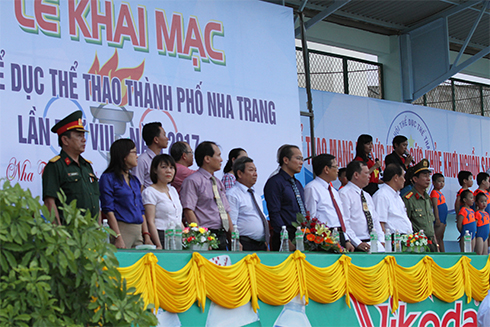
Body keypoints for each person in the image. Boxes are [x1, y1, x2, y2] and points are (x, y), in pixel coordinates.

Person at [42, 111, 100, 225]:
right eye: (79, 136)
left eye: (83, 135)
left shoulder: (87, 166)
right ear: (65, 140)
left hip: (91, 234)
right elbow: (50, 203)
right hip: (70, 233)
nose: (84, 140)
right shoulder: (55, 166)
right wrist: (60, 235)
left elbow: (95, 202)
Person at [180, 141, 234, 250]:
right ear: (207, 159)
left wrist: (233, 237)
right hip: (205, 234)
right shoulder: (192, 181)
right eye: (218, 155)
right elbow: (188, 210)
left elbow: (225, 211)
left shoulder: (218, 182)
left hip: (221, 235)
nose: (221, 160)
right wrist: (201, 238)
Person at [99, 139, 152, 248]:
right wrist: (118, 237)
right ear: (124, 156)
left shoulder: (135, 180)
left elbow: (141, 209)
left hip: (138, 230)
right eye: (134, 152)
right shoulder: (108, 178)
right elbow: (109, 210)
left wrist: (146, 235)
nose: (137, 156)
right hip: (122, 229)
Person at [304, 154, 355, 252]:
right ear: (326, 169)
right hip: (325, 238)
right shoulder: (312, 188)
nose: (338, 170)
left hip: (339, 236)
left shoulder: (333, 191)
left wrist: (347, 239)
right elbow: (311, 217)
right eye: (335, 167)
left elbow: (340, 217)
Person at [264, 144, 305, 251]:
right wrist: (285, 238)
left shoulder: (298, 184)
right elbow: (275, 213)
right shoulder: (275, 182)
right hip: (285, 237)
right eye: (298, 158)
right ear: (286, 160)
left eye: (302, 159)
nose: (301, 162)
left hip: (301, 235)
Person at [339, 160, 384, 252]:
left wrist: (381, 240)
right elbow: (344, 222)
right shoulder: (344, 194)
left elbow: (375, 220)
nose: (369, 176)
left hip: (373, 242)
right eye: (367, 173)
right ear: (356, 175)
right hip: (356, 244)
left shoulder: (367, 195)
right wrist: (357, 242)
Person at [226, 156, 269, 251]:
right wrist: (236, 242)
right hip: (244, 244)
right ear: (240, 173)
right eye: (251, 170)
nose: (255, 174)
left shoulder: (256, 195)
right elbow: (231, 223)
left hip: (261, 245)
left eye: (256, 170)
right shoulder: (233, 194)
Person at [142, 154, 183, 249]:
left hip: (177, 236)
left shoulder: (173, 190)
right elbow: (150, 221)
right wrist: (158, 245)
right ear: (155, 170)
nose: (169, 171)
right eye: (164, 167)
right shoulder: (149, 192)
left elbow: (178, 218)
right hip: (161, 235)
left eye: (171, 167)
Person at [402, 159, 438, 252]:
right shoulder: (408, 199)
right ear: (415, 179)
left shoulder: (427, 198)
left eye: (429, 176)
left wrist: (436, 245)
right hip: (418, 245)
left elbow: (430, 226)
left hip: (431, 244)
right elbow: (406, 225)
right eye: (424, 176)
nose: (428, 179)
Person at [373, 164, 412, 239]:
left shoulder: (397, 195)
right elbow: (380, 224)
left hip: (405, 239)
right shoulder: (381, 195)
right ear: (396, 177)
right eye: (403, 176)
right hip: (393, 240)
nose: (404, 180)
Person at [133, 122, 168, 189]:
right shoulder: (142, 160)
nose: (167, 138)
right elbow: (137, 186)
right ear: (156, 140)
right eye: (164, 135)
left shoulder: (164, 159)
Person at [430, 173, 448, 252]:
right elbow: (435, 206)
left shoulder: (440, 193)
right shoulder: (434, 193)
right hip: (439, 217)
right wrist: (437, 218)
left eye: (443, 181)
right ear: (433, 182)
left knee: (441, 237)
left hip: (443, 218)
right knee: (437, 237)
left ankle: (443, 252)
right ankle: (437, 251)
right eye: (439, 181)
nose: (441, 183)